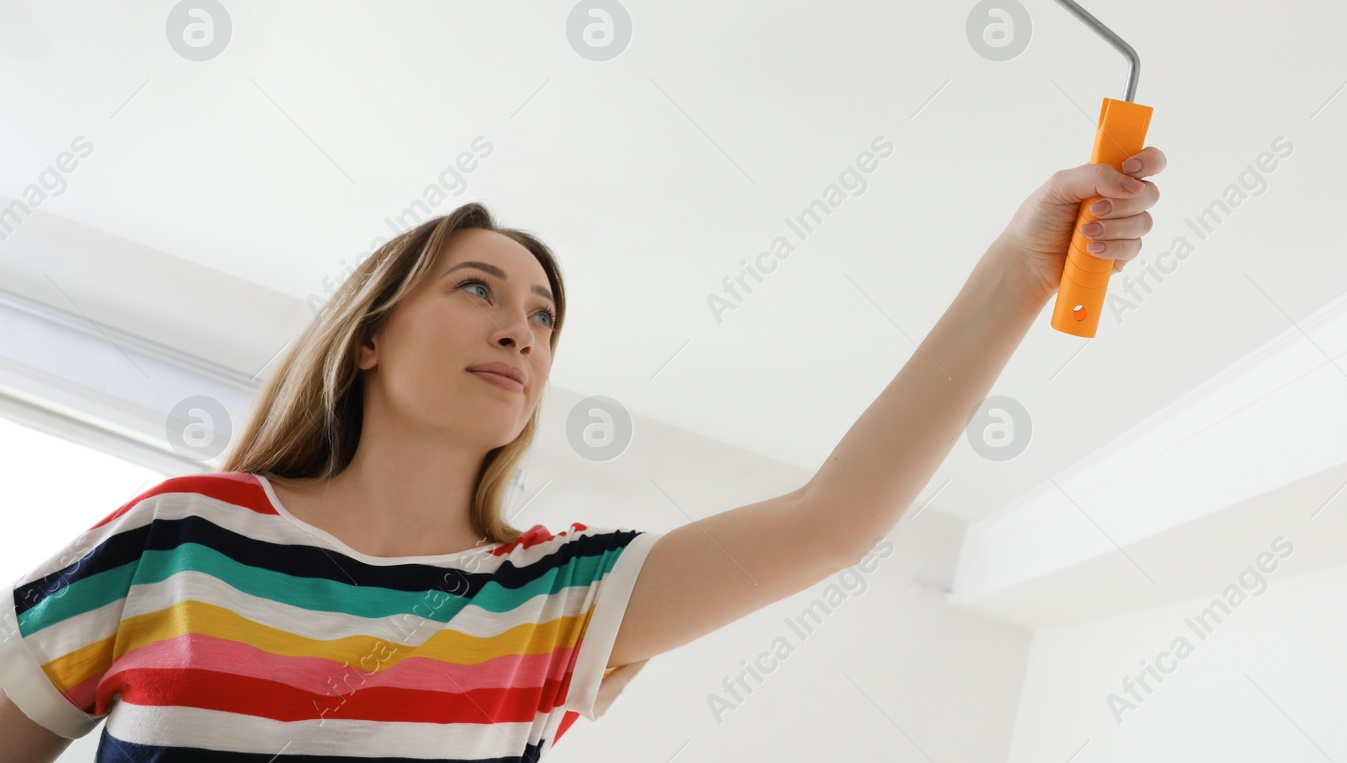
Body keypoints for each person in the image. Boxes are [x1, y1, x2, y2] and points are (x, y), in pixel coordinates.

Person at [0, 148, 1164, 761]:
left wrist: (1020, 270)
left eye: (544, 314)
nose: (522, 329)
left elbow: (834, 521)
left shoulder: (555, 598)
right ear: (368, 336)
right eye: (477, 289)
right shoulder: (181, 537)